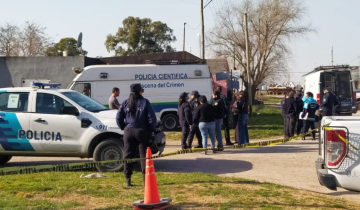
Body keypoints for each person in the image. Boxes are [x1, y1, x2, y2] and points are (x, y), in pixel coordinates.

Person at [116, 83, 157, 187]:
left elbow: (118, 117)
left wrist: (124, 127)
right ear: (140, 92)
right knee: (144, 157)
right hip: (141, 131)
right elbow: (152, 118)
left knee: (127, 156)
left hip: (128, 131)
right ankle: (145, 181)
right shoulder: (145, 102)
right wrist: (151, 130)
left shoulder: (125, 103)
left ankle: (127, 180)